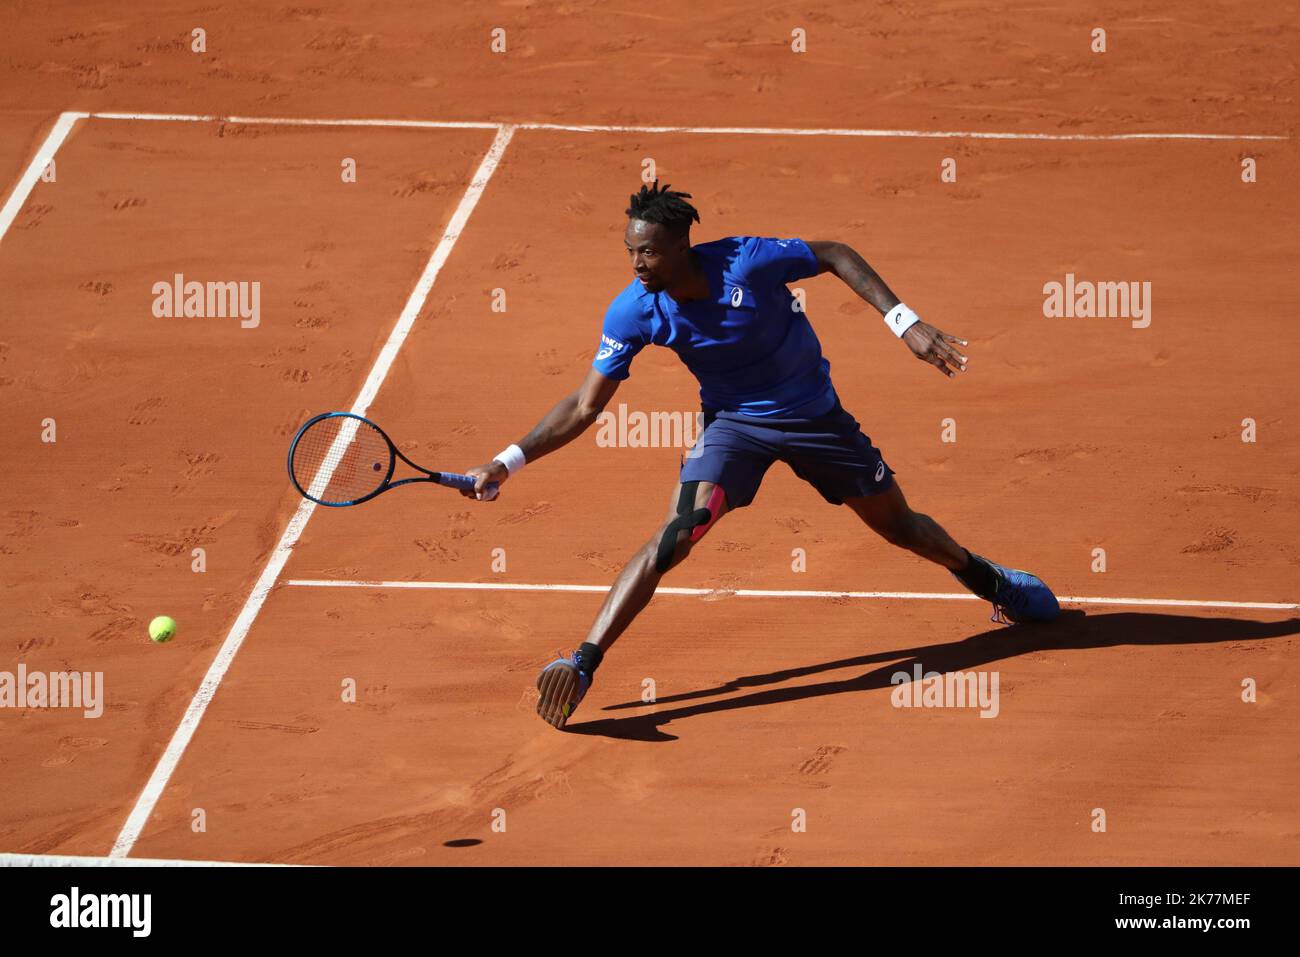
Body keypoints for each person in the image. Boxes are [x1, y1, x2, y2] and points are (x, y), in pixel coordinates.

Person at [462, 180, 1059, 730]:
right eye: (629, 252)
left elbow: (835, 254)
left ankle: (988, 579)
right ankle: (584, 661)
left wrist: (904, 321)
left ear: (680, 246)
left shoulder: (746, 260)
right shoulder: (636, 310)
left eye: (647, 252)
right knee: (679, 532)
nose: (636, 264)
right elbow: (585, 406)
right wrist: (507, 461)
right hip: (734, 430)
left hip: (816, 420)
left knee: (899, 528)